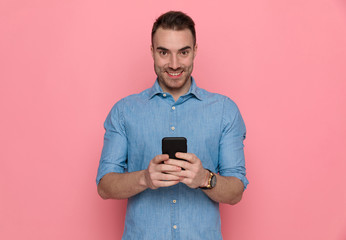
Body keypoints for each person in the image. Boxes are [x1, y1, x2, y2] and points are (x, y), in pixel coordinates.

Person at [96, 11, 248, 240]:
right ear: (152, 52)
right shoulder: (125, 111)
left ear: (195, 51)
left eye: (183, 52)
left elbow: (236, 191)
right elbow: (105, 186)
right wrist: (145, 178)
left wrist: (204, 179)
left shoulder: (225, 111)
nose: (174, 64)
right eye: (164, 52)